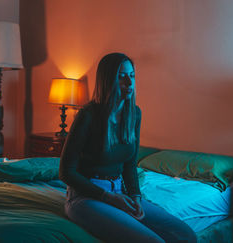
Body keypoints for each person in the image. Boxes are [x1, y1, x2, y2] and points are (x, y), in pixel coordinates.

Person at [59, 53, 197, 243]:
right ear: (108, 80)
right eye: (121, 76)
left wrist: (136, 197)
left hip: (119, 194)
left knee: (186, 235)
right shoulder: (88, 115)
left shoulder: (134, 114)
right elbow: (66, 172)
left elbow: (129, 166)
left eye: (131, 76)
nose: (128, 82)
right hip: (84, 197)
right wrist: (106, 197)